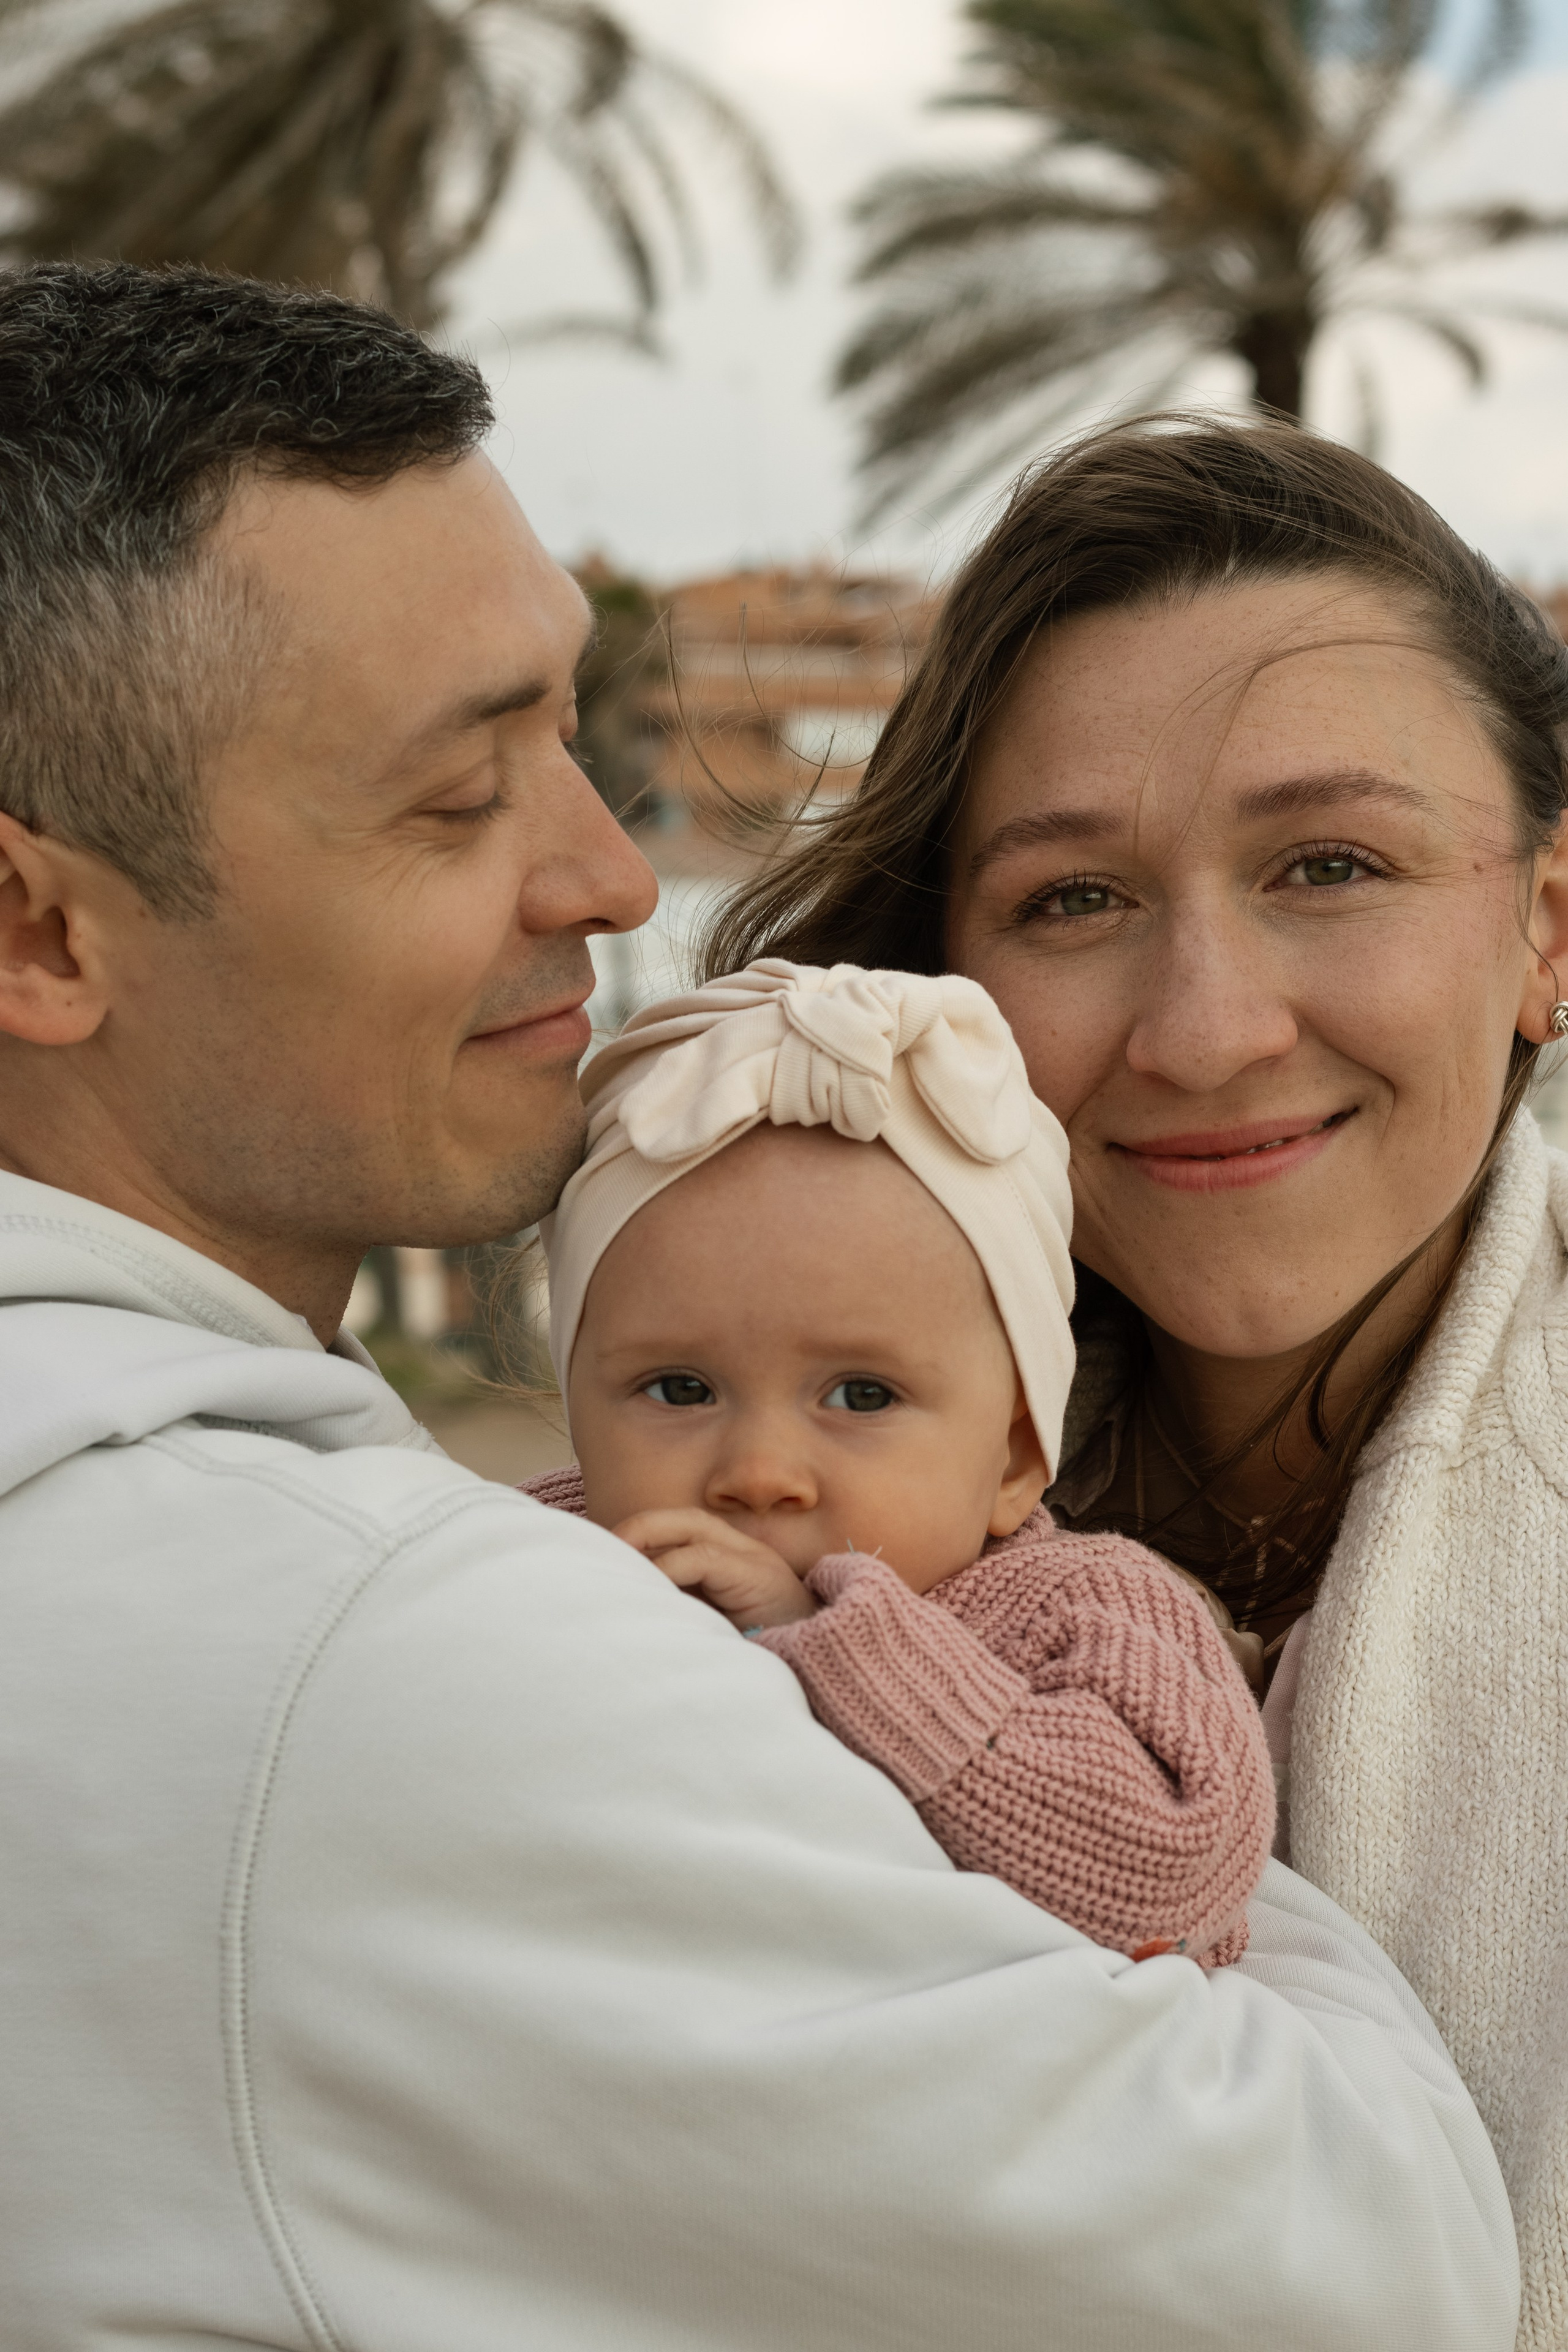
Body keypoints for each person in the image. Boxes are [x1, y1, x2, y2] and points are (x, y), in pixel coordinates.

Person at [0, 263, 1515, 2352]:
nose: (616, 880)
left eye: (1334, 865)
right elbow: (1375, 2263)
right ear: (36, 931)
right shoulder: (403, 1648)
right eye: (458, 794)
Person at [706, 414, 1568, 2347]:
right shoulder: (725, 1487)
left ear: (1546, 928)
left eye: (1331, 864)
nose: (1203, 1031)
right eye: (1074, 900)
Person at [527, 955, 1275, 1966]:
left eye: (862, 1396)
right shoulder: (540, 1557)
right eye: (680, 1389)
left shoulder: (1085, 1609)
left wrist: (832, 1642)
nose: (759, 1472)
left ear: (1015, 1458)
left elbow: (1169, 1869)